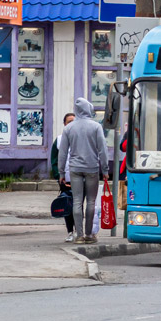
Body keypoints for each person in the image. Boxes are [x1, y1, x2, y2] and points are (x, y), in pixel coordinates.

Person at [58, 98, 109, 244]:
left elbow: (63, 153)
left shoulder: (69, 128)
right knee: (91, 202)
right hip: (92, 168)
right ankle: (89, 234)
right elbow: (103, 150)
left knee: (77, 202)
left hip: (74, 169)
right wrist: (105, 170)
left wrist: (61, 173)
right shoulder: (96, 127)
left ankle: (78, 235)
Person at [50, 112, 76, 241]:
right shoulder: (59, 140)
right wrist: (58, 176)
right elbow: (54, 160)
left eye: (73, 121)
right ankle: (70, 231)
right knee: (67, 205)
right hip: (65, 180)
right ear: (64, 124)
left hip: (80, 178)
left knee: (79, 206)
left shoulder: (81, 138)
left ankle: (79, 231)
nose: (71, 124)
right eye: (69, 122)